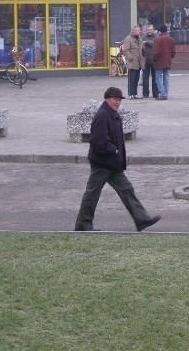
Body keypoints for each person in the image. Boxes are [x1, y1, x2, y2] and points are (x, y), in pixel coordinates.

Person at [74, 86, 161, 232]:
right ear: (107, 98)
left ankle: (142, 220)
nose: (117, 102)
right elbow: (97, 141)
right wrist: (113, 149)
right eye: (115, 99)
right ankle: (83, 225)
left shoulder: (112, 114)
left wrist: (116, 153)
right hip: (102, 163)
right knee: (92, 194)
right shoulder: (102, 115)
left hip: (112, 163)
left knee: (126, 189)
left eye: (119, 99)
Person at [152, 24, 176, 100]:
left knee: (158, 78)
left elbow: (156, 52)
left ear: (160, 31)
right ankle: (165, 93)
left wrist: (154, 59)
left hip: (159, 62)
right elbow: (173, 52)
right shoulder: (171, 39)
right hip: (167, 61)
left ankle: (162, 94)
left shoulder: (158, 39)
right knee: (166, 78)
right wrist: (169, 58)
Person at [122, 25, 144, 99]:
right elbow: (126, 50)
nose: (140, 31)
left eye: (140, 30)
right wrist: (131, 58)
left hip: (139, 62)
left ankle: (135, 93)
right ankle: (131, 94)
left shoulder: (139, 39)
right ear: (133, 31)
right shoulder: (128, 39)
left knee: (137, 79)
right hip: (132, 62)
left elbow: (142, 49)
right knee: (132, 78)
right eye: (138, 30)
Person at [141, 24, 158, 99]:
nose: (149, 31)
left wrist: (147, 42)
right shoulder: (143, 37)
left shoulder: (156, 37)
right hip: (146, 60)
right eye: (148, 30)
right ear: (146, 30)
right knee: (145, 78)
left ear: (153, 30)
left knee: (155, 78)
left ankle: (155, 93)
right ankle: (145, 94)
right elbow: (141, 46)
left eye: (151, 30)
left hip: (154, 60)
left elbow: (156, 45)